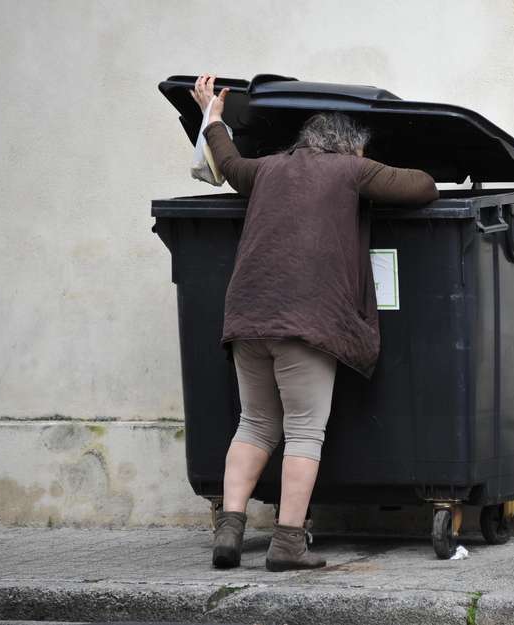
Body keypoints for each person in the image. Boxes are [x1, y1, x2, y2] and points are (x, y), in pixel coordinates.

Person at [190, 74, 439, 571]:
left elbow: (230, 162)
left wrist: (212, 117)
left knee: (255, 423)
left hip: (245, 315)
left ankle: (229, 535)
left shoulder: (265, 169)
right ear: (350, 145)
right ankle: (287, 544)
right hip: (306, 321)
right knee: (304, 432)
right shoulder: (350, 170)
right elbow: (424, 187)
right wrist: (377, 167)